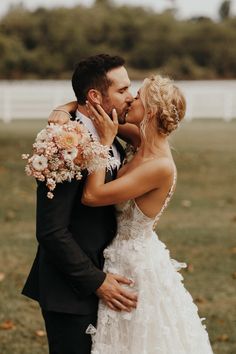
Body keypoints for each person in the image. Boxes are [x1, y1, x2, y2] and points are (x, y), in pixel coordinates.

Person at [79, 75, 214, 353]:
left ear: (150, 110)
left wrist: (103, 144)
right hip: (118, 255)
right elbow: (99, 112)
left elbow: (92, 196)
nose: (130, 98)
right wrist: (63, 108)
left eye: (138, 96)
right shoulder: (141, 139)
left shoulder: (159, 166)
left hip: (134, 265)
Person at [22, 54, 138, 354]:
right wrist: (96, 281)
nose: (131, 96)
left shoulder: (109, 134)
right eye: (122, 90)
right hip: (71, 291)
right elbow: (51, 230)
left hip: (109, 279)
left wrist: (67, 104)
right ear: (96, 96)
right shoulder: (63, 143)